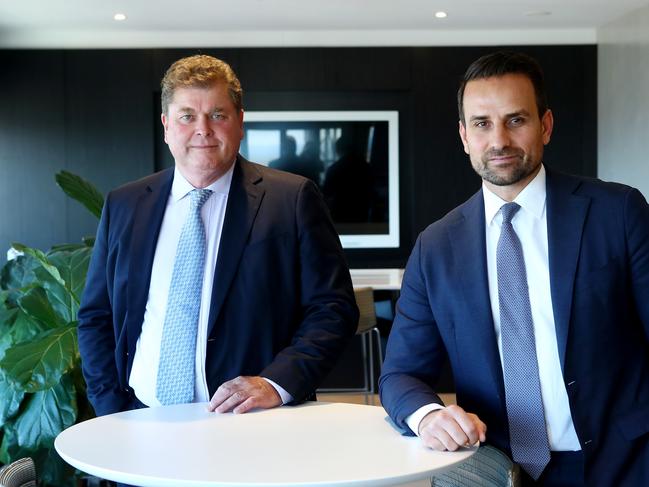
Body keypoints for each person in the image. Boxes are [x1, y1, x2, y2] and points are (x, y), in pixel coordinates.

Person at [379, 51, 649, 486]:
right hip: (496, 469)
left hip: (627, 463)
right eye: (482, 124)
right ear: (464, 136)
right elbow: (400, 374)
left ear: (545, 125)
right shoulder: (436, 246)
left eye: (516, 120)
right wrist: (428, 415)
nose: (499, 139)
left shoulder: (617, 213)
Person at [78, 54, 358, 419]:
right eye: (187, 116)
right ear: (166, 125)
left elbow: (332, 309)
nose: (203, 129)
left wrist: (275, 383)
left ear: (240, 122)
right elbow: (97, 315)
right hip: (138, 417)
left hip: (250, 423)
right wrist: (111, 406)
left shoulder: (291, 199)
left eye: (218, 115)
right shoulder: (125, 204)